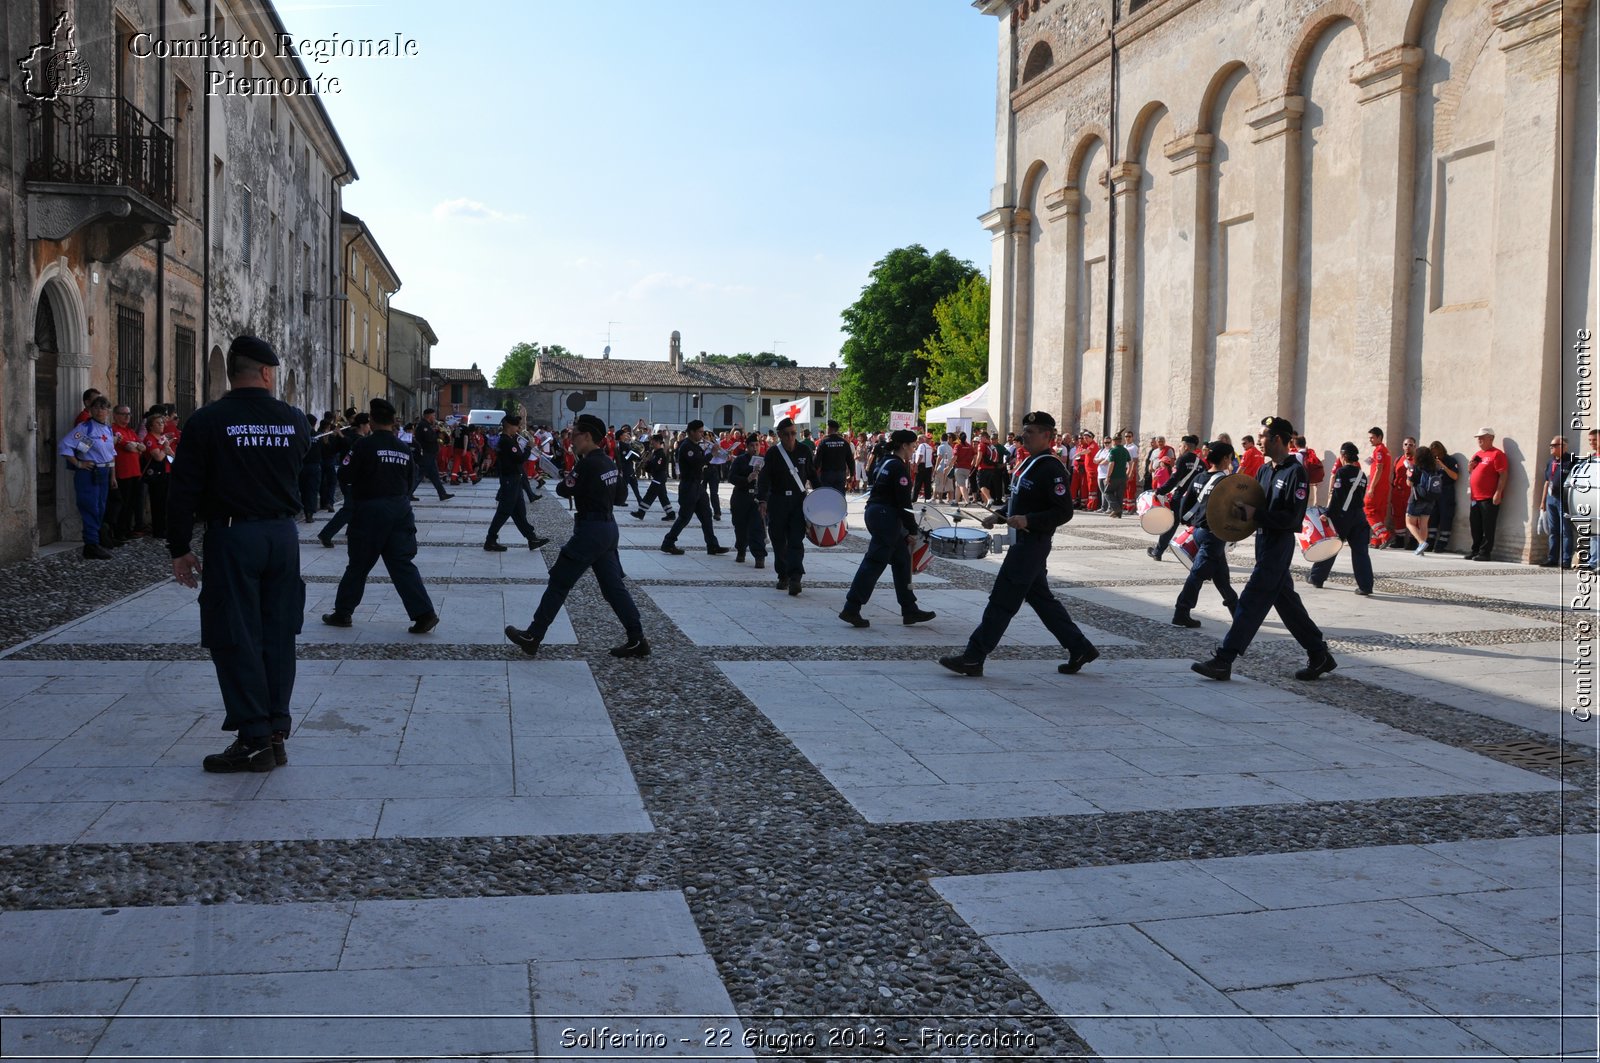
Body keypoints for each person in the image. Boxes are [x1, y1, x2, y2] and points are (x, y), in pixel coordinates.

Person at [167, 335, 310, 772]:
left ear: (233, 374)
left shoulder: (208, 420)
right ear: (267, 373)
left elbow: (183, 488)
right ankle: (275, 731)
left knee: (235, 635)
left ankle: (254, 736)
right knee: (278, 632)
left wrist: (178, 547)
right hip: (282, 536)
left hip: (232, 536)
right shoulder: (295, 420)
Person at [938, 411, 1098, 677]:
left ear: (1048, 436)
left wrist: (1028, 520)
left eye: (1032, 431)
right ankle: (1080, 647)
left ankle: (973, 657)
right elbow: (1019, 499)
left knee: (1002, 599)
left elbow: (1064, 512)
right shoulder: (1029, 462)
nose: (1025, 434)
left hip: (1032, 543)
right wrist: (998, 514)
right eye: (1025, 430)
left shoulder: (1051, 467)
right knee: (1042, 600)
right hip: (1023, 541)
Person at [1193, 415, 1335, 683]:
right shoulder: (1264, 470)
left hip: (1279, 544)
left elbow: (1292, 519)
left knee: (1252, 598)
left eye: (1262, 438)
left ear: (1278, 439)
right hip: (1263, 541)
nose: (1259, 442)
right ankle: (1319, 654)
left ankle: (1224, 659)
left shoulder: (1296, 472)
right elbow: (1253, 505)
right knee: (1287, 603)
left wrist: (1256, 514)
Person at [506, 413, 649, 659]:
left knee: (559, 581)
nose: (570, 440)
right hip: (607, 529)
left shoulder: (588, 463)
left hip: (590, 531)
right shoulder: (608, 462)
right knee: (613, 588)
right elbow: (620, 497)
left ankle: (533, 635)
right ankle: (637, 639)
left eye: (574, 435)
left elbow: (564, 488)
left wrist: (573, 477)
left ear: (587, 436)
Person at [320, 399, 439, 634]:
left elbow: (345, 474)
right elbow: (409, 481)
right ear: (393, 422)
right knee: (402, 564)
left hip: (370, 511)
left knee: (359, 565)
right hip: (400, 510)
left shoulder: (363, 446)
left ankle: (343, 613)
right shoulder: (404, 449)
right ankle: (425, 614)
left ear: (372, 421)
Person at [839, 429, 937, 627]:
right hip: (886, 517)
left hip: (877, 513)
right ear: (904, 446)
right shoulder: (899, 467)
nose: (914, 450)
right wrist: (911, 530)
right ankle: (851, 607)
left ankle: (909, 609)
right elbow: (904, 503)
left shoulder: (886, 461)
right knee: (874, 562)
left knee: (902, 560)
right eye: (912, 446)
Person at [1169, 441, 1240, 628]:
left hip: (1200, 531)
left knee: (1221, 576)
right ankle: (1181, 611)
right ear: (1226, 459)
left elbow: (1186, 503)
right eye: (1230, 458)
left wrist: (1192, 521)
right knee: (1198, 574)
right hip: (1214, 534)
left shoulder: (1200, 477)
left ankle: (1237, 610)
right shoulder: (1226, 481)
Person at [758, 418, 816, 595]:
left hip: (798, 501)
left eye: (793, 433)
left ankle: (795, 577)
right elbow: (765, 477)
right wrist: (762, 500)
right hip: (778, 501)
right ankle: (783, 574)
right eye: (787, 434)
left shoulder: (804, 450)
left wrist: (823, 496)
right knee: (778, 540)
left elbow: (812, 474)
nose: (791, 437)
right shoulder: (774, 453)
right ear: (780, 436)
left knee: (796, 540)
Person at [1308, 443, 1374, 595]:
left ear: (1343, 455)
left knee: (1331, 546)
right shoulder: (1361, 474)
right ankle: (1366, 586)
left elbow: (1337, 497)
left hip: (1343, 516)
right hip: (1359, 515)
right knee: (1361, 552)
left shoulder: (1342, 472)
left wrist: (1328, 514)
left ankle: (1317, 577)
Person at [58, 396, 118, 559]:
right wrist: (78, 464)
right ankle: (91, 544)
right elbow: (66, 445)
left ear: (108, 411)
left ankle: (96, 540)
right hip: (89, 474)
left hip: (104, 473)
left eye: (104, 408)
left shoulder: (107, 429)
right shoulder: (85, 428)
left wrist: (113, 476)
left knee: (100, 507)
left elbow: (110, 453)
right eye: (97, 407)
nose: (100, 411)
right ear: (91, 410)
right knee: (90, 507)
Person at [483, 415, 550, 552]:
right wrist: (528, 448)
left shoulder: (512, 439)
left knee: (520, 513)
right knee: (503, 512)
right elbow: (519, 458)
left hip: (515, 479)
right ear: (509, 426)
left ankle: (532, 539)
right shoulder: (506, 441)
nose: (518, 429)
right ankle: (490, 540)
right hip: (510, 480)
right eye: (516, 426)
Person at [661, 420, 727, 555]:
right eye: (700, 432)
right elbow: (698, 464)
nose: (702, 435)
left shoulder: (695, 446)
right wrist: (712, 453)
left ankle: (712, 545)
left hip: (698, 485)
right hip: (689, 486)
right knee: (684, 517)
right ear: (691, 432)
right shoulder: (687, 446)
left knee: (706, 515)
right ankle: (668, 543)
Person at [317, 413, 370, 548]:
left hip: (350, 476)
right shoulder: (354, 439)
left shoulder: (352, 437)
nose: (369, 427)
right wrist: (333, 436)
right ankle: (326, 534)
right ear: (362, 425)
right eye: (368, 424)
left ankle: (351, 530)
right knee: (349, 508)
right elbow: (332, 450)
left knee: (355, 506)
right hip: (350, 477)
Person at [1149, 435, 1203, 561]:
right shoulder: (1201, 463)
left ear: (1185, 446)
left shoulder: (1182, 459)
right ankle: (1197, 555)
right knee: (1195, 527)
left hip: (1180, 497)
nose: (1179, 448)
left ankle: (1158, 551)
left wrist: (1160, 491)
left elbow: (1174, 479)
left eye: (1180, 446)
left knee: (1171, 524)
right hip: (1195, 499)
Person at [105, 403, 147, 543]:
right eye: (124, 414)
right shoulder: (113, 430)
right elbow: (129, 447)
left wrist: (136, 447)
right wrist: (136, 447)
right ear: (115, 415)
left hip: (135, 472)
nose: (127, 417)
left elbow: (142, 447)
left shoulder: (130, 431)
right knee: (121, 504)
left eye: (129, 414)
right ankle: (118, 531)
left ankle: (127, 529)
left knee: (131, 504)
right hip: (122, 473)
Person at [1467, 428, 1508, 561]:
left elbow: (1503, 474)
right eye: (1478, 437)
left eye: (1482, 437)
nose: (1479, 440)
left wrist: (1498, 492)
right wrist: (1470, 468)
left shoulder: (1497, 454)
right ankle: (1475, 550)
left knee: (1487, 527)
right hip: (1475, 497)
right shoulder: (1477, 454)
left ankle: (1485, 553)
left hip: (1488, 497)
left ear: (1490, 438)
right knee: (1475, 526)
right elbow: (1471, 473)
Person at [728, 431, 768, 567]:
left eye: (757, 445)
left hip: (757, 498)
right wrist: (747, 479)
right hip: (741, 497)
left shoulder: (765, 460)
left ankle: (759, 556)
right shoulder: (740, 460)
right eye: (752, 445)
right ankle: (741, 550)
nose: (755, 448)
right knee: (740, 527)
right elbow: (731, 477)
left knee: (757, 527)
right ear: (747, 447)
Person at [1540, 434, 1575, 568]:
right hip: (1551, 499)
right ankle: (1552, 558)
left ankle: (1566, 560)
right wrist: (1543, 502)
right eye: (1551, 445)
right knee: (1553, 530)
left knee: (1566, 530)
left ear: (1564, 446)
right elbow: (1547, 482)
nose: (1551, 447)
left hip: (1564, 500)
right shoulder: (1551, 462)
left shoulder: (1571, 460)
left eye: (1554, 445)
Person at [141, 409, 174, 538]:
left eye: (162, 422)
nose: (161, 425)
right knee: (158, 503)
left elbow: (171, 454)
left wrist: (167, 448)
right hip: (156, 475)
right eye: (158, 423)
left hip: (166, 472)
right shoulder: (149, 439)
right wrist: (165, 448)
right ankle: (158, 530)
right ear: (151, 426)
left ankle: (165, 527)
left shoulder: (162, 438)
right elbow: (158, 457)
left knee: (166, 502)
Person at [1405, 444, 1442, 556]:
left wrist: (1408, 475)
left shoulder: (1415, 467)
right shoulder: (1434, 468)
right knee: (1424, 524)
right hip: (1431, 499)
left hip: (1417, 498)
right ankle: (1421, 549)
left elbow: (1409, 483)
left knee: (1410, 523)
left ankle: (1421, 543)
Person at [1427, 440, 1461, 554]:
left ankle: (1442, 543)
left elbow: (1455, 476)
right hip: (1434, 492)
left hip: (1446, 491)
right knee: (1432, 517)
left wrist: (1443, 466)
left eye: (1436, 452)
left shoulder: (1450, 460)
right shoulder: (1431, 462)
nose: (1435, 455)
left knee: (1446, 517)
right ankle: (1430, 541)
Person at [412, 409, 454, 501]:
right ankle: (408, 494)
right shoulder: (423, 426)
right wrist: (439, 435)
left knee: (435, 476)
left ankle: (442, 494)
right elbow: (429, 438)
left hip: (430, 454)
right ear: (429, 416)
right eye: (434, 416)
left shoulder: (427, 425)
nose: (435, 418)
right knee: (419, 475)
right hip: (426, 454)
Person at [1363, 427, 1393, 548]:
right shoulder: (1385, 450)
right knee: (1379, 512)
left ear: (1379, 437)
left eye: (1372, 437)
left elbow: (1379, 469)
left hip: (1377, 487)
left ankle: (1385, 535)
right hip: (1384, 486)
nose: (1370, 440)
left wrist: (1371, 488)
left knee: (1368, 510)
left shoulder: (1379, 451)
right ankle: (1376, 541)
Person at [638, 434, 676, 520]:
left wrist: (648, 462)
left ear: (659, 442)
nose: (652, 443)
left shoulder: (660, 454)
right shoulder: (655, 453)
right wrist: (645, 465)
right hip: (657, 477)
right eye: (652, 441)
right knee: (663, 496)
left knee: (650, 493)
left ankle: (641, 512)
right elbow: (651, 468)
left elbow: (656, 467)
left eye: (654, 442)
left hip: (659, 477)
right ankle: (671, 514)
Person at [814, 420, 854, 493]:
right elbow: (850, 460)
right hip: (840, 473)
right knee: (839, 495)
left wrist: (814, 472)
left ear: (829, 429)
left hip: (827, 473)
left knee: (827, 495)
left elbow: (817, 459)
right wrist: (851, 474)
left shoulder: (823, 442)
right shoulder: (844, 443)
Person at [1104, 433, 1130, 517]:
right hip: (1123, 476)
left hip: (1114, 476)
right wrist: (1128, 473)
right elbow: (1131, 462)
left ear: (1114, 441)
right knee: (1120, 495)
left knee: (1107, 492)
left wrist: (1107, 477)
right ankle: (1119, 514)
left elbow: (1111, 464)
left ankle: (1116, 509)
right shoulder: (1125, 450)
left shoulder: (1113, 450)